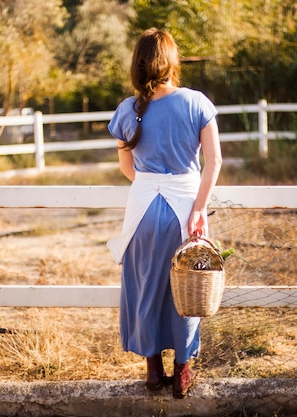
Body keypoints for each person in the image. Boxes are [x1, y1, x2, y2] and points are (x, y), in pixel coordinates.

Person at [106, 28, 222, 399]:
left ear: (137, 65)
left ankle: (152, 369)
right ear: (173, 62)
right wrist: (199, 207)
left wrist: (153, 183)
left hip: (142, 211)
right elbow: (214, 161)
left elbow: (128, 169)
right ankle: (182, 370)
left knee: (145, 288)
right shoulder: (196, 103)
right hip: (184, 209)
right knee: (187, 289)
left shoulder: (128, 109)